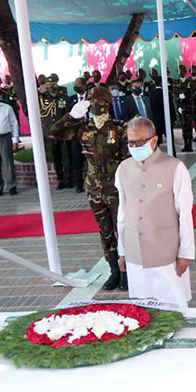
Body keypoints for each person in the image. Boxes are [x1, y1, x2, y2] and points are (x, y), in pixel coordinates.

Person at [50, 86, 130, 291]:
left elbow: (128, 161)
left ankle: (126, 271)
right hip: (94, 189)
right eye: (92, 102)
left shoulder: (119, 128)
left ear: (108, 104)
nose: (96, 106)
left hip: (116, 188)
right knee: (105, 232)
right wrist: (71, 115)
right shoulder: (83, 128)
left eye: (100, 102)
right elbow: (54, 132)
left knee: (122, 230)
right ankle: (113, 271)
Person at [115, 117, 194, 312]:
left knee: (173, 304)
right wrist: (122, 250)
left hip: (165, 249)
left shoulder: (174, 167)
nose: (134, 146)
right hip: (135, 250)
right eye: (131, 142)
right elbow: (122, 212)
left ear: (154, 140)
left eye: (140, 142)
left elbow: (185, 213)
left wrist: (185, 253)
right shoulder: (123, 168)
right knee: (141, 306)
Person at [38, 74, 71, 190]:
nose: (51, 87)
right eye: (49, 85)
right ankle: (60, 179)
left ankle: (68, 179)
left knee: (66, 156)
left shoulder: (63, 97)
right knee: (55, 157)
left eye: (53, 84)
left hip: (62, 132)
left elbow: (67, 114)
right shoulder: (42, 98)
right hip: (51, 133)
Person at [65, 77, 89, 193]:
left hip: (89, 133)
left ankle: (90, 182)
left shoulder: (91, 98)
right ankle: (79, 183)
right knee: (76, 159)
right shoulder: (70, 100)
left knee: (90, 159)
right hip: (76, 135)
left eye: (78, 85)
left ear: (84, 86)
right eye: (75, 85)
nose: (76, 87)